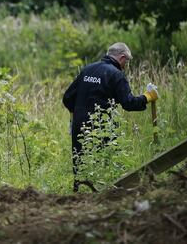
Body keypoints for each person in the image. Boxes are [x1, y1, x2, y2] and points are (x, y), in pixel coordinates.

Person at [62, 42, 158, 192]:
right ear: (121, 57)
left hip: (80, 125)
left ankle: (78, 197)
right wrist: (147, 97)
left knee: (80, 164)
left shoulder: (87, 69)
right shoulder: (116, 74)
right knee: (108, 161)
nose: (126, 64)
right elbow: (128, 103)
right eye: (127, 61)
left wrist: (73, 118)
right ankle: (108, 194)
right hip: (102, 126)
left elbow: (67, 98)